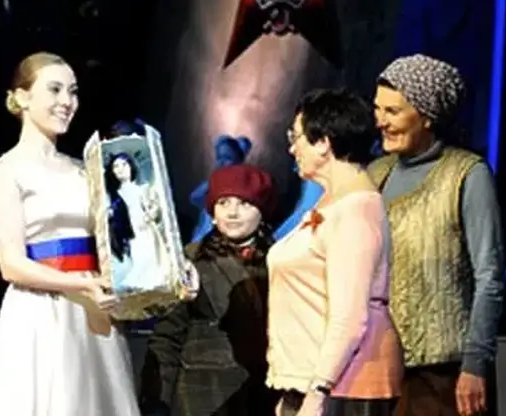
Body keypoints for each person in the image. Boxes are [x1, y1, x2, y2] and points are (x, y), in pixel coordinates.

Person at [0, 52, 140, 416]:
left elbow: (117, 242)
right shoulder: (4, 172)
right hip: (40, 313)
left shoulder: (86, 170)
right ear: (22, 97)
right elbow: (11, 265)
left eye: (73, 91)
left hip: (94, 310)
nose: (67, 101)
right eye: (55, 89)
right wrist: (80, 285)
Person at [367, 54, 504, 416]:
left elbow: (489, 277)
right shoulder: (374, 175)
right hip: (377, 368)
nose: (380, 121)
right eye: (378, 109)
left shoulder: (466, 174)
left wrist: (475, 365)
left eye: (392, 111)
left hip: (443, 375)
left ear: (427, 116)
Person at [267, 88, 403, 416]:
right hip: (314, 382)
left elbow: (350, 316)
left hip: (345, 386)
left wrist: (318, 392)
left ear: (323, 143)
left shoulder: (356, 210)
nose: (292, 148)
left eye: (296, 137)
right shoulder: (332, 201)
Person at [139, 163, 279, 416]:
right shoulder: (191, 259)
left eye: (244, 203)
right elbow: (167, 336)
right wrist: (156, 399)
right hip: (204, 392)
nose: (232, 213)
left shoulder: (282, 259)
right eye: (223, 203)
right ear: (212, 212)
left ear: (262, 210)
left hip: (266, 391)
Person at [104, 151, 166, 292]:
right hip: (128, 230)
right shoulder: (114, 196)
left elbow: (154, 208)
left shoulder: (142, 189)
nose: (120, 169)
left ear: (131, 166)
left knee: (149, 254)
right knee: (137, 255)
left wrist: (148, 217)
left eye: (124, 164)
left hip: (144, 228)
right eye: (116, 166)